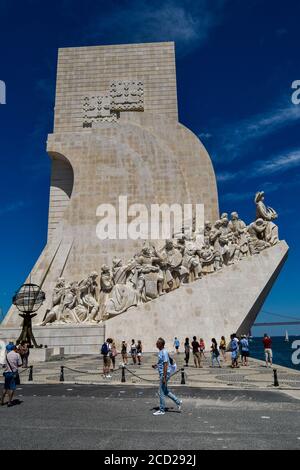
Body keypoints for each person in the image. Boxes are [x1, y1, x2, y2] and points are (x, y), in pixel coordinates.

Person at [152, 337, 182, 416]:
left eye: (157, 343)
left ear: (161, 344)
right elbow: (162, 363)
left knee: (161, 392)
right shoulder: (161, 352)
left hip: (164, 374)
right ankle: (178, 402)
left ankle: (162, 410)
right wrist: (156, 365)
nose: (156, 344)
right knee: (165, 391)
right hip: (163, 373)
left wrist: (164, 377)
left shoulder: (164, 352)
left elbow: (165, 364)